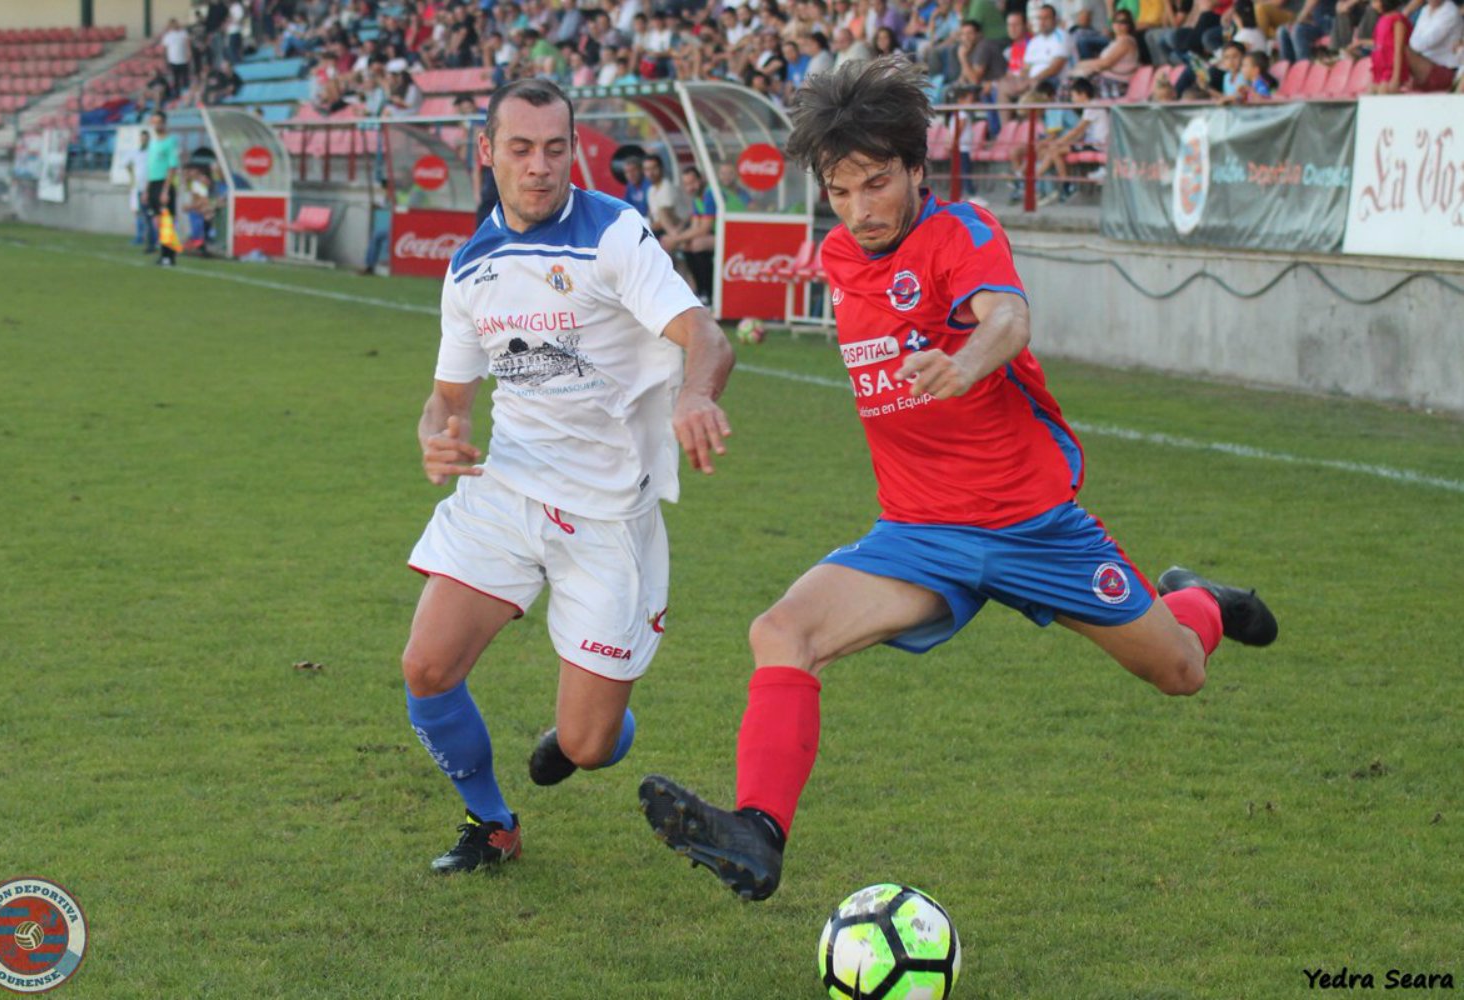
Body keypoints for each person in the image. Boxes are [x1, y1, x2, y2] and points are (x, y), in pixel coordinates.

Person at [638, 56, 1279, 902]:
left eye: (876, 184)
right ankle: (757, 833)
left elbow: (1007, 315)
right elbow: (846, 273)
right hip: (919, 534)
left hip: (1033, 526)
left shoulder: (963, 231)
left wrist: (967, 362)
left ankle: (1203, 603)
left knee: (1179, 671)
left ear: (914, 168)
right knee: (781, 632)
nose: (861, 210)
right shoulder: (839, 253)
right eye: (841, 190)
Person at [402, 78, 734, 875]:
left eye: (556, 148)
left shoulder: (614, 233)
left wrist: (695, 395)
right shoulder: (470, 266)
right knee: (427, 667)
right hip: (508, 488)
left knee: (587, 746)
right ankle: (493, 824)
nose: (540, 166)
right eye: (520, 149)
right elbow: (447, 400)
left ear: (573, 150)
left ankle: (595, 725)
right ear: (488, 153)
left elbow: (708, 338)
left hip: (610, 516)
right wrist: (437, 437)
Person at [660, 165, 717, 302]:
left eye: (692, 183)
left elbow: (704, 229)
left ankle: (709, 292)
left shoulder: (710, 194)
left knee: (697, 244)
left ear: (701, 179)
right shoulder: (698, 197)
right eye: (686, 184)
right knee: (687, 245)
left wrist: (675, 239)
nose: (690, 187)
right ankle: (700, 291)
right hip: (717, 234)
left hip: (732, 234)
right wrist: (678, 239)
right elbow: (695, 226)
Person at [144, 112, 181, 265]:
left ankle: (169, 256)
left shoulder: (170, 142)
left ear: (164, 123)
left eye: (159, 122)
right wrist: (146, 189)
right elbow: (150, 167)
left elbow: (172, 167)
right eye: (154, 122)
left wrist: (166, 190)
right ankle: (164, 254)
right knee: (158, 222)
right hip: (153, 183)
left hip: (163, 183)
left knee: (166, 221)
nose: (156, 125)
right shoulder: (152, 143)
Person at [128, 129, 150, 248]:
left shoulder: (151, 152)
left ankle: (149, 236)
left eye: (145, 138)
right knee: (137, 211)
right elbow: (128, 165)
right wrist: (132, 179)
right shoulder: (135, 152)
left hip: (148, 186)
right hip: (137, 186)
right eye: (142, 138)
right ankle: (140, 236)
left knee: (148, 213)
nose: (143, 140)